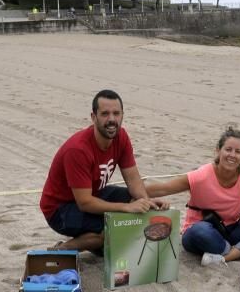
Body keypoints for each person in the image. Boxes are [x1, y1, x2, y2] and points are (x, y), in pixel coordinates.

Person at [40, 89, 168, 253]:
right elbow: (84, 202)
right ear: (93, 117)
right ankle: (63, 248)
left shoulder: (121, 136)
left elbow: (133, 179)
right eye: (105, 114)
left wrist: (146, 201)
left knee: (132, 201)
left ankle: (92, 239)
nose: (112, 119)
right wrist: (125, 208)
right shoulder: (78, 150)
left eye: (116, 113)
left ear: (122, 115)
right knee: (109, 230)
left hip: (92, 193)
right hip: (59, 209)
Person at [146, 127, 240, 266]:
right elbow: (164, 188)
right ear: (218, 150)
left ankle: (227, 255)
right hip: (199, 234)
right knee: (200, 231)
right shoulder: (202, 176)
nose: (232, 155)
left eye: (238, 151)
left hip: (229, 231)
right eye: (228, 149)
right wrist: (131, 194)